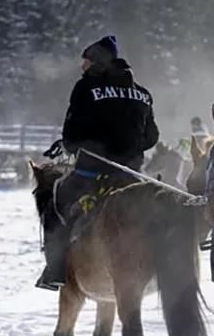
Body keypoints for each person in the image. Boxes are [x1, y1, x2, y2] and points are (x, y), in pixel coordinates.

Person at [36, 35, 160, 290]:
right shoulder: (143, 93)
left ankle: (56, 272)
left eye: (87, 61)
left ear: (97, 63)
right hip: (132, 175)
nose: (83, 67)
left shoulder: (86, 88)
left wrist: (73, 144)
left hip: (92, 174)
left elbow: (72, 138)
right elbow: (151, 138)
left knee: (54, 206)